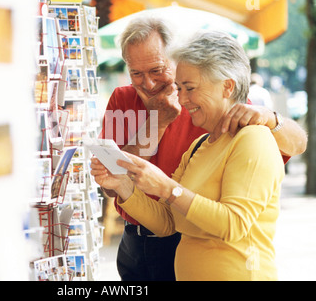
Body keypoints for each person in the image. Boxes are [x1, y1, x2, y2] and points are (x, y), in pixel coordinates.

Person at [98, 17, 307, 281]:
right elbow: (155, 210)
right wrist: (157, 123)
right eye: (136, 73)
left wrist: (271, 117)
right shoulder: (195, 137)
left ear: (174, 61)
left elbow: (297, 144)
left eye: (157, 70)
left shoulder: (235, 118)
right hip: (140, 238)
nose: (149, 84)